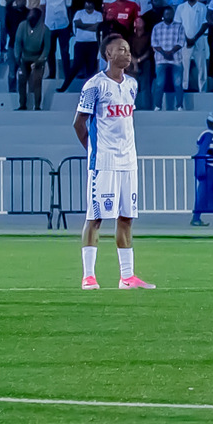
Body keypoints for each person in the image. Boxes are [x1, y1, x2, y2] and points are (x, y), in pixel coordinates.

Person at [74, 32, 152, 289]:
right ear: (108, 54)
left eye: (128, 49)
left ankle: (127, 277)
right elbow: (79, 123)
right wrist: (93, 151)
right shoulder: (94, 85)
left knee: (126, 217)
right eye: (121, 49)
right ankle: (88, 276)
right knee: (95, 217)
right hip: (104, 161)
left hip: (128, 161)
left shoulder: (131, 85)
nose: (127, 54)